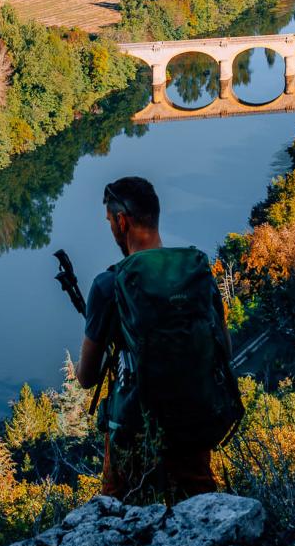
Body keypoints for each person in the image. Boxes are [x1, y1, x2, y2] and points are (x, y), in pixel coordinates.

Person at [76, 176, 234, 504]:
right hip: (192, 428)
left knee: (121, 519)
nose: (111, 229)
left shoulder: (109, 285)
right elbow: (225, 352)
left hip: (131, 434)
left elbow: (86, 378)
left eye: (109, 222)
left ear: (123, 221)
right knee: (198, 512)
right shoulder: (197, 275)